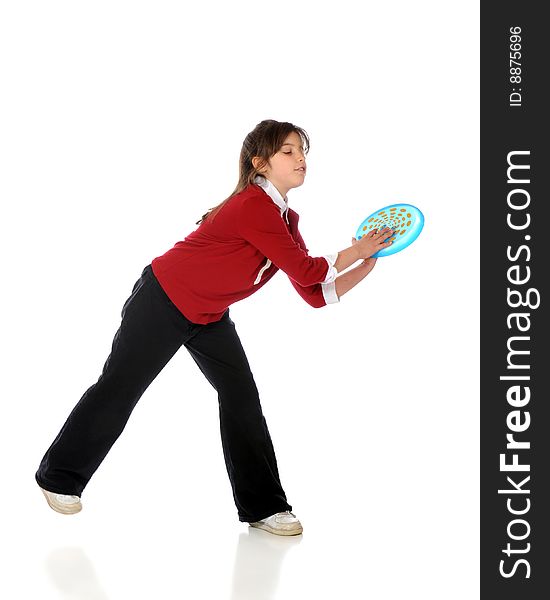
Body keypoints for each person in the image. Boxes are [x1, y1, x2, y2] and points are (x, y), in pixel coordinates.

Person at [35, 119, 394, 536]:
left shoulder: (286, 220)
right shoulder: (252, 206)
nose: (301, 159)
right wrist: (358, 248)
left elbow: (315, 291)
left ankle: (264, 508)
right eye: (289, 152)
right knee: (121, 387)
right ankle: (57, 477)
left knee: (241, 396)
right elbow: (307, 268)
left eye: (302, 152)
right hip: (163, 299)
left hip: (208, 315)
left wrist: (368, 263)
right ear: (260, 163)